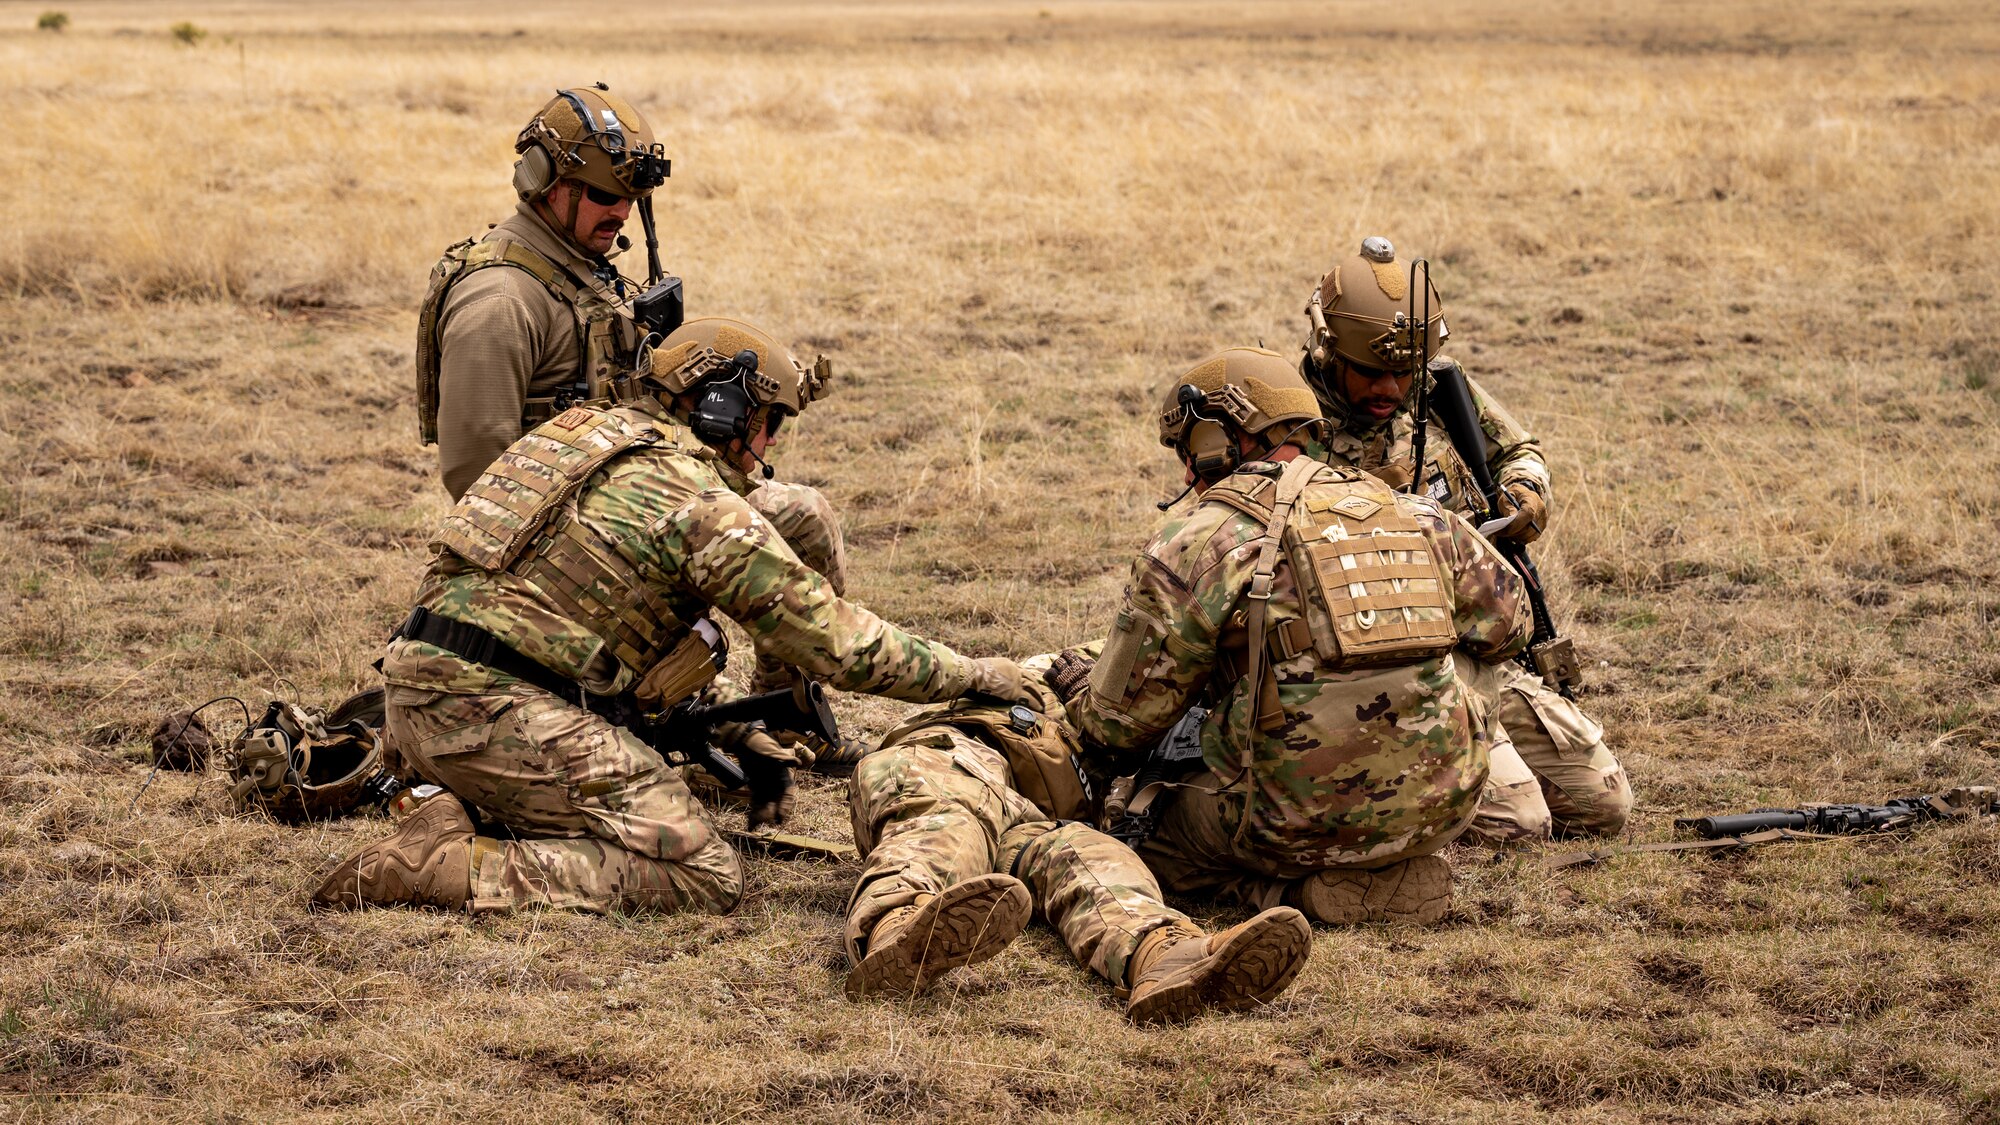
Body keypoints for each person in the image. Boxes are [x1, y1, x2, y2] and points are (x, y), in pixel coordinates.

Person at [314, 317, 1033, 917]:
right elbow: (839, 644)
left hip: (413, 700)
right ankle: (443, 867)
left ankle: (455, 802)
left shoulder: (577, 433)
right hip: (491, 715)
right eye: (767, 422)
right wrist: (976, 672)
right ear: (721, 410)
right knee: (703, 871)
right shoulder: (695, 503)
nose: (770, 444)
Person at [412, 84, 865, 773]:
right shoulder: (501, 300)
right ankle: (668, 720)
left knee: (800, 516)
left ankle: (788, 712)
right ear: (544, 184)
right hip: (561, 557)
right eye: (600, 194)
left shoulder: (582, 273)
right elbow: (476, 478)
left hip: (627, 504)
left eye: (629, 196)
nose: (619, 209)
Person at [1048, 347, 1531, 925]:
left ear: (1218, 437)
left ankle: (1287, 897)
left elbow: (1116, 729)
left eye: (1187, 450)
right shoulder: (1417, 515)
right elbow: (1512, 627)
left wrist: (1083, 689)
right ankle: (1382, 867)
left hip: (1284, 825)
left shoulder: (1198, 539)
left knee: (1148, 835)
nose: (1184, 474)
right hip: (1444, 808)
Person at [1297, 238, 1632, 843]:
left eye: (1404, 373)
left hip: (1476, 646)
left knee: (1604, 805)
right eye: (1373, 373)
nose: (1392, 391)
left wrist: (1524, 494)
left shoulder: (1438, 391)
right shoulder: (1287, 424)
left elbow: (1518, 450)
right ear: (1328, 350)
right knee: (1521, 825)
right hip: (1380, 670)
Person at [843, 656, 1312, 1024]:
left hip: (1036, 819)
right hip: (957, 756)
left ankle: (1163, 955)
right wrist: (1096, 696)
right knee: (949, 820)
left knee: (1091, 856)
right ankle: (896, 927)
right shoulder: (1055, 674)